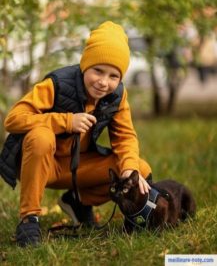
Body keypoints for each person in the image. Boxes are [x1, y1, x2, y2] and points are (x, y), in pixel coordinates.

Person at [0, 21, 152, 247]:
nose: (103, 82)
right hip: (42, 165)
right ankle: (29, 219)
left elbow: (125, 137)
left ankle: (77, 201)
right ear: (85, 65)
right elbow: (13, 119)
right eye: (98, 71)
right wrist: (66, 121)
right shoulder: (58, 84)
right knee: (40, 136)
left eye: (113, 76)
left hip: (78, 168)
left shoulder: (117, 96)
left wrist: (129, 168)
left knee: (140, 169)